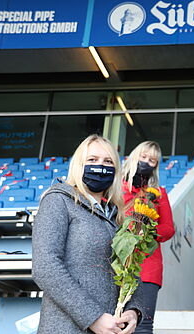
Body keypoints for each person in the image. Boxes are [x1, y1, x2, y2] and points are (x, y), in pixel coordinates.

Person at [33, 134, 141, 334]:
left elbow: (130, 272)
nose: (100, 166)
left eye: (108, 161)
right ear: (78, 164)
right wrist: (93, 317)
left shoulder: (118, 216)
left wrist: (133, 311)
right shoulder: (58, 200)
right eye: (92, 160)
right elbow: (45, 267)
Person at [122, 141, 175, 334]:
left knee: (142, 325)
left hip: (148, 267)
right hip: (116, 264)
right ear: (133, 157)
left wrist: (148, 232)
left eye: (152, 160)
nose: (146, 162)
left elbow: (169, 228)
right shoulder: (115, 188)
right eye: (143, 157)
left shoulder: (159, 193)